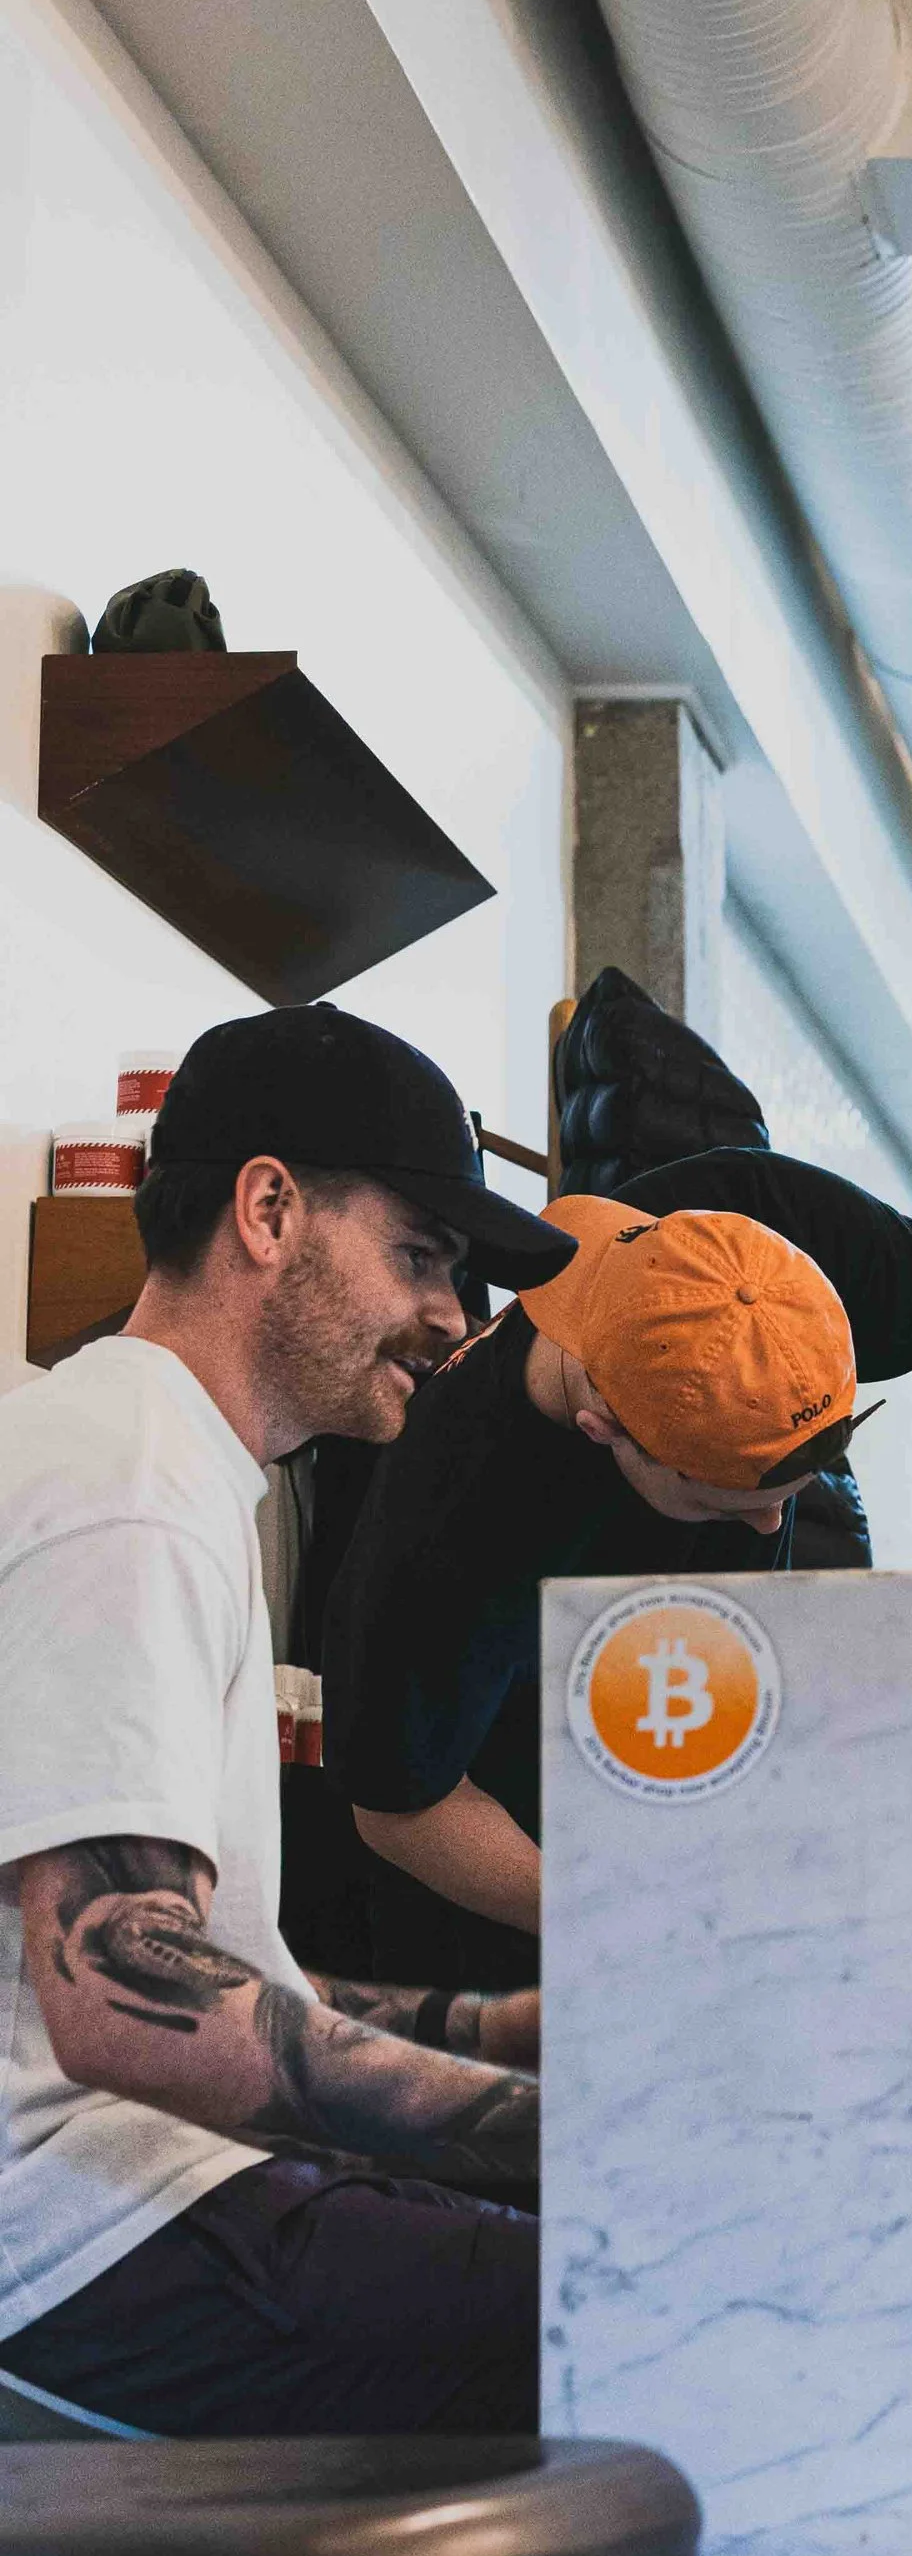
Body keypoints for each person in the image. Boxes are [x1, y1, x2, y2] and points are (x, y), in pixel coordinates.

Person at [0, 1009, 576, 2433]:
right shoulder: (127, 1491)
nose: (457, 1320)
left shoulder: (157, 1466)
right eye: (423, 1257)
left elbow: (198, 1966)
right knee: (661, 2290)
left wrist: (495, 2026)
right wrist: (565, 2132)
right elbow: (127, 2009)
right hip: (73, 2235)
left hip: (126, 2190)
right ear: (268, 1210)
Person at [326, 1147, 912, 1983]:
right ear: (607, 1430)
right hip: (531, 1822)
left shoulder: (756, 1246)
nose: (775, 1520)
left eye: (784, 1491)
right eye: (726, 1499)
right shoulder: (449, 1522)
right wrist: (627, 1915)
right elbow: (400, 1812)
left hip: (702, 1713)